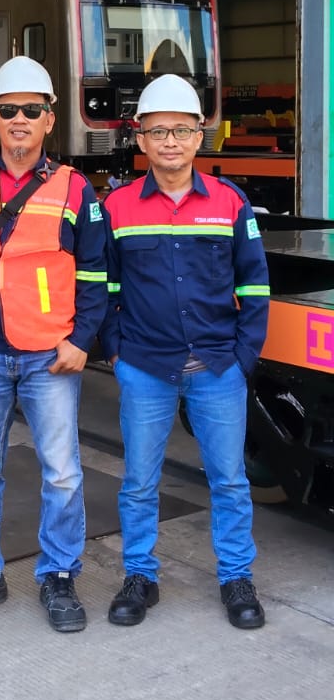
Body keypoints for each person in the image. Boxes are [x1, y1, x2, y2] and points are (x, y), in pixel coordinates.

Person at [0, 57, 108, 633]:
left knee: (61, 473)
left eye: (31, 110)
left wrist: (82, 340)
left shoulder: (75, 188)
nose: (19, 119)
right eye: (8, 109)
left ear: (49, 120)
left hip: (49, 353)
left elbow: (95, 272)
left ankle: (58, 575)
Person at [101, 74, 270, 630]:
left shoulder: (230, 202)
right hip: (146, 366)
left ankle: (236, 578)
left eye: (180, 130)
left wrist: (244, 356)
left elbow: (254, 284)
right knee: (139, 483)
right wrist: (117, 352)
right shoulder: (118, 207)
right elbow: (105, 287)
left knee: (229, 481)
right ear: (140, 139)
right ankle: (139, 575)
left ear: (200, 136)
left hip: (218, 366)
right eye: (158, 131)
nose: (169, 141)